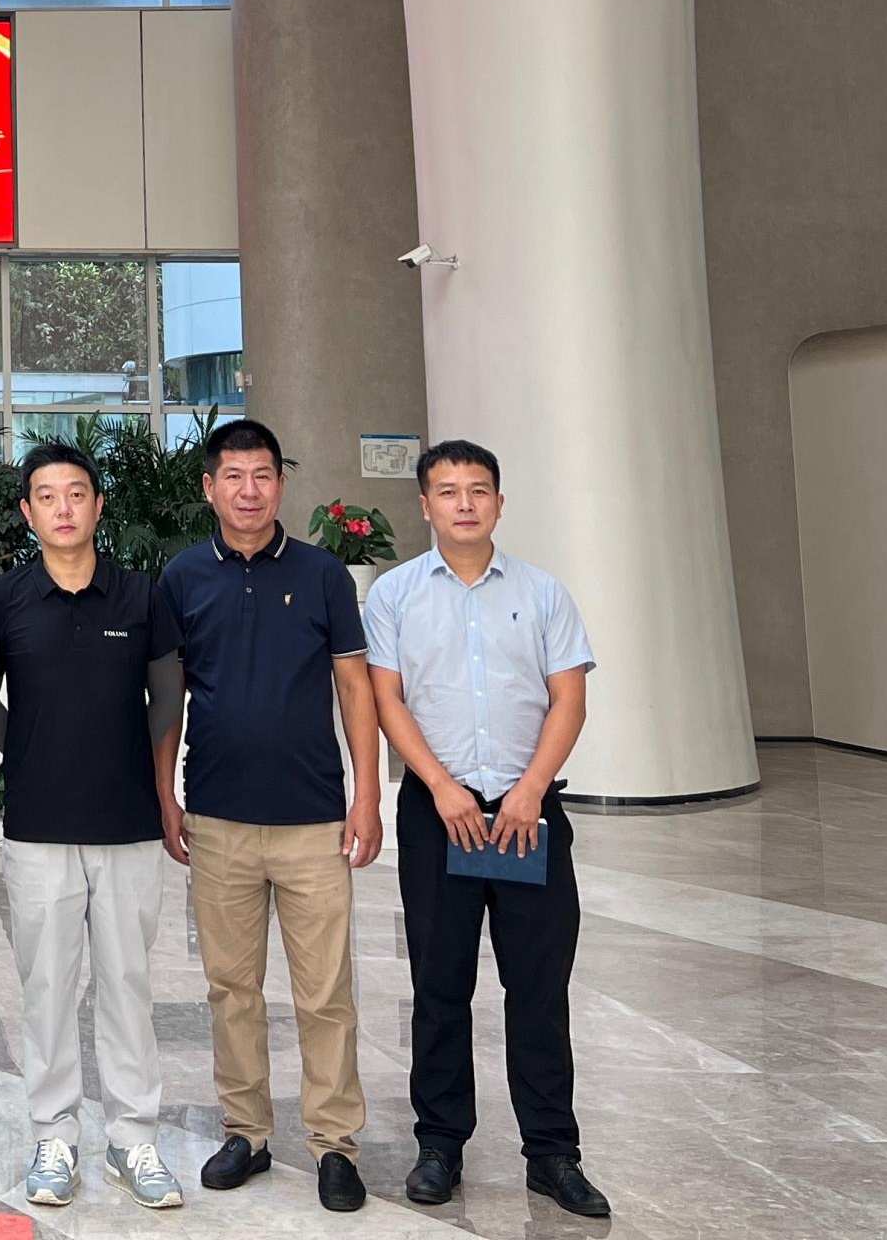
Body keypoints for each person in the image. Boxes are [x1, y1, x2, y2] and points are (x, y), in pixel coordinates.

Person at [364, 440, 609, 1220]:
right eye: (448, 491)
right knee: (439, 985)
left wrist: (530, 790)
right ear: (424, 505)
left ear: (500, 503)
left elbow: (568, 699)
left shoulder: (543, 594)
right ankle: (440, 1144)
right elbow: (386, 700)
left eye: (478, 490)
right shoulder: (394, 595)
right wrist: (441, 787)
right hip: (440, 814)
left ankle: (553, 1152)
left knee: (538, 987)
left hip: (526, 812)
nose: (464, 503)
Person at [157, 416, 383, 1214]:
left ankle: (334, 1144)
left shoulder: (322, 575)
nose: (248, 491)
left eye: (262, 476)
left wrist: (366, 794)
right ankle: (245, 1133)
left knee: (325, 993)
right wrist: (166, 794)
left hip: (313, 818)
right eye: (233, 476)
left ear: (280, 485)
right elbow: (167, 696)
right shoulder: (182, 576)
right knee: (232, 988)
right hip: (218, 818)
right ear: (209, 487)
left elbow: (354, 686)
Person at [0, 442, 188, 1212]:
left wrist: (153, 781)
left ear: (98, 505)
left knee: (127, 984)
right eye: (46, 496)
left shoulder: (139, 595)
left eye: (76, 494)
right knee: (48, 988)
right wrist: (27, 750)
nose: (62, 508)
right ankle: (54, 1136)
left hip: (128, 824)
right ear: (27, 513)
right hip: (38, 827)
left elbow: (168, 696)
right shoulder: (4, 599)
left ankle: (133, 1139)